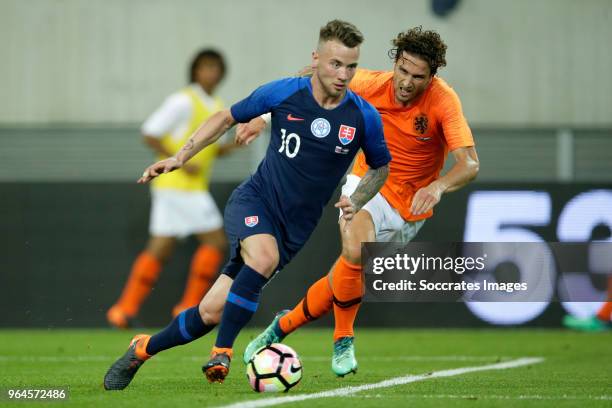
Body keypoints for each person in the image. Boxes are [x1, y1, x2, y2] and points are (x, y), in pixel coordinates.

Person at [103, 19, 391, 390]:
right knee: (263, 258)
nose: (344, 74)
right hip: (255, 200)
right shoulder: (284, 93)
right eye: (336, 64)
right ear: (316, 58)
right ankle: (222, 351)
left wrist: (357, 198)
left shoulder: (362, 115)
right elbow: (226, 117)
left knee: (209, 312)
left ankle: (142, 349)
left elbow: (381, 167)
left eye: (351, 66)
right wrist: (180, 157)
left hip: (295, 229)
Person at [240, 26, 480, 376]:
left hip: (412, 207)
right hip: (368, 182)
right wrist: (262, 116)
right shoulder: (368, 83)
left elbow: (469, 164)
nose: (407, 83)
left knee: (343, 278)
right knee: (354, 247)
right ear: (395, 63)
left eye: (419, 77)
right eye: (403, 71)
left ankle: (281, 327)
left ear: (432, 76)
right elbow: (313, 77)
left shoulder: (443, 100)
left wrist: (439, 187)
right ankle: (343, 340)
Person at [106, 49, 238, 329]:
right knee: (215, 242)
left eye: (216, 68)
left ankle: (122, 310)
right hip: (180, 186)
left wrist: (235, 145)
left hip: (181, 188)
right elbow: (150, 131)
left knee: (160, 249)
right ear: (195, 71)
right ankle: (188, 306)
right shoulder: (182, 100)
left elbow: (211, 151)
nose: (211, 72)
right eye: (205, 67)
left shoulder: (215, 103)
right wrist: (180, 159)